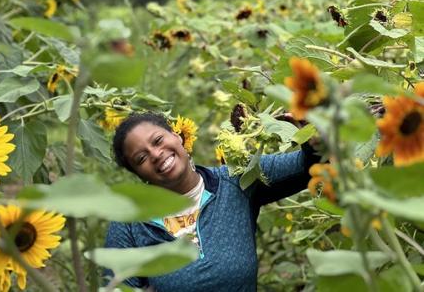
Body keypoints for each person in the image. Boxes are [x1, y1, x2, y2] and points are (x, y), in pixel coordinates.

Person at [104, 112, 321, 292]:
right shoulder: (130, 222)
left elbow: (311, 165)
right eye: (141, 158)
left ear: (177, 136)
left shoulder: (237, 181)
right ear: (139, 174)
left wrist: (312, 136)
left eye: (158, 140)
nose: (156, 154)